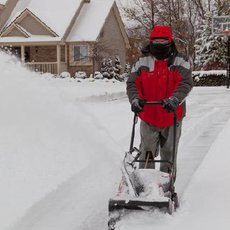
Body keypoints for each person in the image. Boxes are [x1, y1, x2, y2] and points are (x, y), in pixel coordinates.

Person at [126, 25, 193, 180]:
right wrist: (135, 99)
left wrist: (175, 99)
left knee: (169, 151)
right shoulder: (142, 61)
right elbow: (132, 83)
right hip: (148, 114)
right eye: (157, 42)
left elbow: (185, 84)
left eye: (163, 42)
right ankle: (145, 182)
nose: (160, 45)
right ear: (151, 42)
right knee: (147, 150)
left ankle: (166, 183)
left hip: (172, 114)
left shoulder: (181, 61)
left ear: (170, 42)